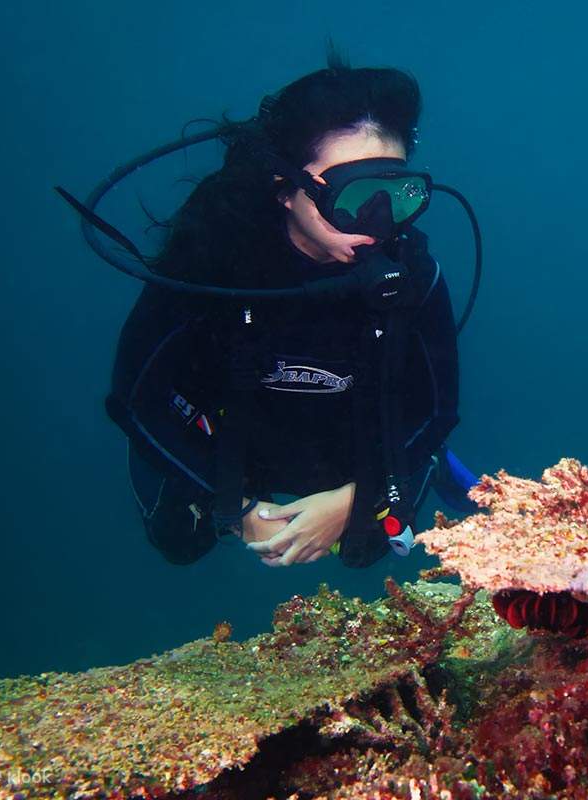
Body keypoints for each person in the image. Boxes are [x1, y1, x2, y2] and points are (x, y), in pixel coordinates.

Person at [95, 55, 479, 569]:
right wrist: (235, 505)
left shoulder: (410, 275)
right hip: (227, 430)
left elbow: (437, 408)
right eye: (355, 196)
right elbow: (134, 399)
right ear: (285, 190)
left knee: (367, 548)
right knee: (177, 542)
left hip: (340, 435)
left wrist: (355, 497)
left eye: (395, 194)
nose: (377, 224)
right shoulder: (208, 264)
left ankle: (426, 468)